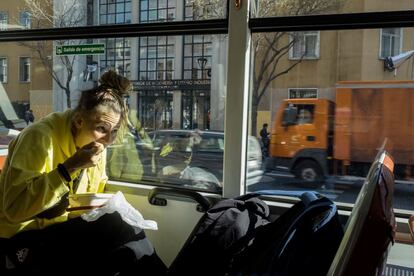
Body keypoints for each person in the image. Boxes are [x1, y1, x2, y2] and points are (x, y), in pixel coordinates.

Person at [0, 71, 166, 275]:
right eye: (101, 128)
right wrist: (68, 169)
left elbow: (90, 195)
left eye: (113, 132)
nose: (107, 140)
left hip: (59, 228)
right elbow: (14, 210)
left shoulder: (97, 145)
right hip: (20, 236)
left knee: (123, 237)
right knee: (118, 229)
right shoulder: (39, 138)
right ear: (79, 120)